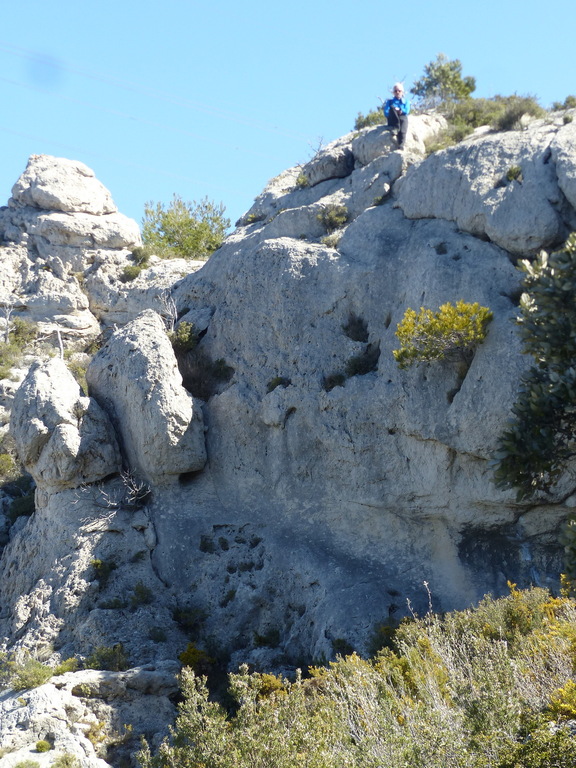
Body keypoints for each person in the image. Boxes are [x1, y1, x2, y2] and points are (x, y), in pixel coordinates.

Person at [383, 83, 410, 148]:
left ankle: (401, 146)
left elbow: (407, 111)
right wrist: (394, 110)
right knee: (392, 108)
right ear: (393, 92)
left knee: (403, 126)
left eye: (399, 91)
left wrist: (400, 110)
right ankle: (395, 128)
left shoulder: (406, 101)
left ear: (402, 92)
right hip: (393, 119)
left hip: (402, 117)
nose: (397, 92)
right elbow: (386, 112)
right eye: (395, 91)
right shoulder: (390, 102)